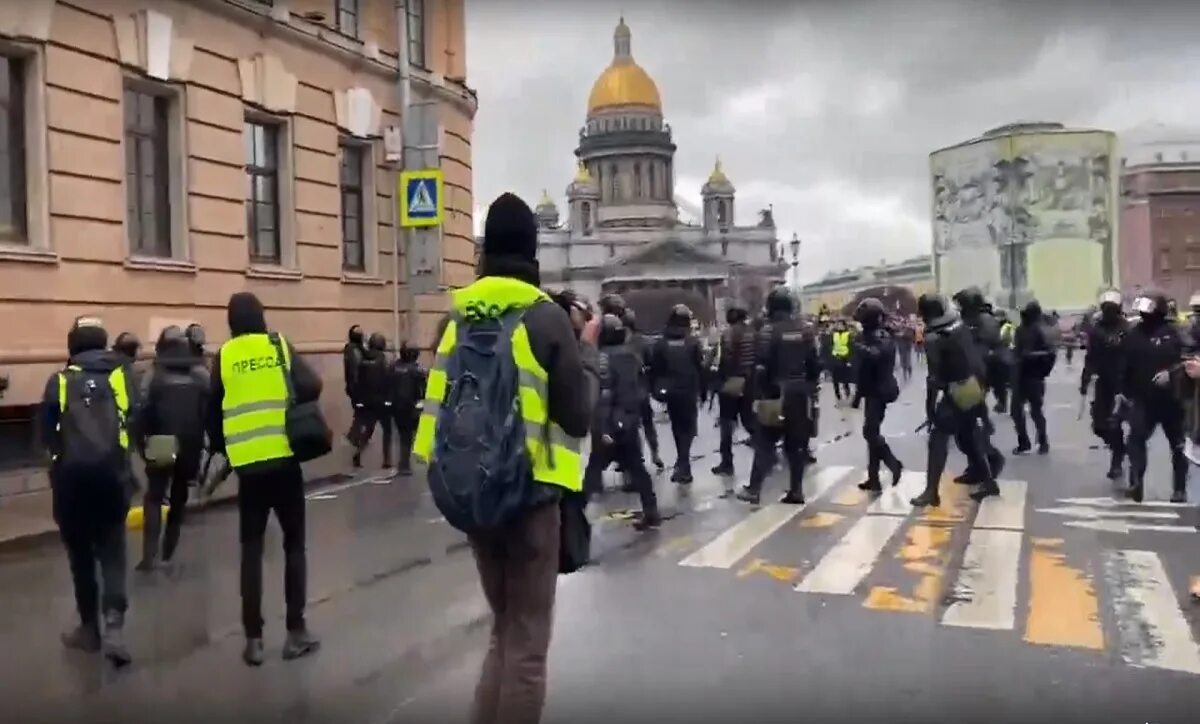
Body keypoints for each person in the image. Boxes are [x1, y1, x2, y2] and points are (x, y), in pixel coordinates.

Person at [414, 192, 594, 724]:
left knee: (503, 630)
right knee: (529, 647)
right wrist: (587, 354)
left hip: (472, 493)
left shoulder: (455, 317)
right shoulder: (545, 318)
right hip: (531, 497)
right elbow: (578, 418)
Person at [206, 291, 322, 666]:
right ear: (261, 316)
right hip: (284, 460)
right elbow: (313, 385)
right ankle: (295, 632)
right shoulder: (278, 345)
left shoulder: (223, 356)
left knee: (251, 551)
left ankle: (253, 640)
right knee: (293, 545)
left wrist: (228, 450)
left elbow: (211, 413)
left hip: (247, 467)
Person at [41, 316, 136, 666]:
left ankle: (89, 631)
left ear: (72, 346)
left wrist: (57, 468)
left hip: (71, 484)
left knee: (81, 559)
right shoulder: (123, 378)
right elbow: (136, 421)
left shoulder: (60, 382)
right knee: (113, 553)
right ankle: (114, 627)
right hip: (113, 479)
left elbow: (46, 435)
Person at [911, 294, 1002, 508]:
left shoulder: (933, 336)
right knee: (969, 435)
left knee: (937, 439)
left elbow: (935, 377)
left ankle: (931, 491)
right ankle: (989, 481)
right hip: (974, 385)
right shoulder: (958, 325)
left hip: (958, 390)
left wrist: (930, 407)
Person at [135, 325, 209, 571]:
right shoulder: (200, 375)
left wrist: (141, 444)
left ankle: (149, 556)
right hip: (191, 442)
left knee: (154, 497)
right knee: (179, 498)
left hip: (161, 441)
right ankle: (168, 552)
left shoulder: (153, 374)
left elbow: (141, 410)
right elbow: (208, 411)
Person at [736, 287, 820, 505]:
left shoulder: (767, 331)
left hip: (776, 393)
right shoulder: (806, 330)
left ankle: (754, 489)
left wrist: (760, 393)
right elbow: (815, 363)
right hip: (800, 393)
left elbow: (761, 367)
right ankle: (796, 490)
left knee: (764, 443)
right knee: (796, 445)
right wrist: (810, 387)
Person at [583, 313, 660, 529]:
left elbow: (606, 394)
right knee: (637, 468)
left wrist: (606, 426)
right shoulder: (632, 356)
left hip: (610, 424)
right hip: (628, 421)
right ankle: (651, 510)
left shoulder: (603, 358)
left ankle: (572, 523)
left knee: (593, 472)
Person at [1120, 290, 1188, 503]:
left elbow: (1189, 360)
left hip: (1172, 401)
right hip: (1143, 400)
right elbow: (1125, 366)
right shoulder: (1133, 335)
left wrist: (1172, 373)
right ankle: (1136, 482)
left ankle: (1179, 489)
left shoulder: (1174, 334)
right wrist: (1123, 393)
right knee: (1135, 440)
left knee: (1178, 446)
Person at [850, 298, 903, 492]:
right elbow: (862, 370)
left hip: (880, 390)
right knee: (873, 434)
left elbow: (875, 355)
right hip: (870, 389)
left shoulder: (882, 335)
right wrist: (857, 396)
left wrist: (857, 346)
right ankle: (874, 478)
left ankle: (893, 464)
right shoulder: (866, 334)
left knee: (870, 432)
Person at [651, 304, 705, 484]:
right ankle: (683, 463)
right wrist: (703, 391)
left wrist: (656, 389)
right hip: (688, 391)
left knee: (677, 428)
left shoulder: (662, 342)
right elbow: (700, 368)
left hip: (671, 392)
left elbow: (655, 369)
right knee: (689, 429)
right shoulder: (692, 342)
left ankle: (682, 464)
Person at [1082, 290, 1130, 478]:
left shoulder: (1127, 329)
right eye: (1106, 308)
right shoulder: (1096, 330)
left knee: (1115, 422)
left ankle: (1117, 461)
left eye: (1112, 308)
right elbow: (1090, 357)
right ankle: (1120, 448)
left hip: (1123, 383)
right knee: (1099, 426)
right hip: (1103, 383)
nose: (1108, 312)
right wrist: (1085, 379)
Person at [712, 303, 757, 479]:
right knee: (750, 421)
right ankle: (766, 451)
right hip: (751, 383)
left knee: (727, 424)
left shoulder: (728, 334)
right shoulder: (753, 333)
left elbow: (725, 360)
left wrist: (720, 381)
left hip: (732, 383)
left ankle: (727, 462)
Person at [622, 308, 664, 471]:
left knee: (632, 426)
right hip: (641, 389)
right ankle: (654, 453)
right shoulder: (643, 341)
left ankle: (637, 458)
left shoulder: (619, 342)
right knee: (647, 424)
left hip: (628, 390)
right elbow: (652, 364)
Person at [1010, 300, 1054, 455]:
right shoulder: (1021, 329)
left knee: (1035, 411)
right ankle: (1024, 441)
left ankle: (1042, 440)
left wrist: (1030, 356)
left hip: (1034, 375)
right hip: (1021, 374)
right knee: (1016, 411)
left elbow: (1050, 353)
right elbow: (1017, 350)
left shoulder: (1040, 330)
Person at [352, 332, 394, 469]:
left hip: (368, 400)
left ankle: (358, 452)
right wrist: (389, 399)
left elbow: (359, 381)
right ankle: (387, 460)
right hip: (382, 400)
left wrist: (360, 399)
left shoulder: (363, 359)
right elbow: (388, 379)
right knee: (387, 430)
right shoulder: (384, 359)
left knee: (368, 429)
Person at [389, 342, 426, 476]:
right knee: (409, 434)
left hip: (396, 406)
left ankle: (404, 463)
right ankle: (406, 463)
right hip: (411, 406)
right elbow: (424, 387)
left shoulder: (393, 366)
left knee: (403, 435)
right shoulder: (417, 370)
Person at [343, 324, 367, 449]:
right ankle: (354, 436)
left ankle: (354, 435)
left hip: (353, 387)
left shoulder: (350, 349)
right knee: (361, 413)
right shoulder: (356, 351)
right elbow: (356, 371)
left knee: (359, 412)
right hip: (358, 388)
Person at [828, 319, 854, 402]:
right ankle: (837, 395)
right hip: (835, 357)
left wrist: (849, 359)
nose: (839, 326)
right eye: (838, 324)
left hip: (844, 358)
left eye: (841, 325)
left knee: (845, 378)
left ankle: (847, 392)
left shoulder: (848, 334)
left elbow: (851, 347)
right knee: (835, 379)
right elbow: (831, 345)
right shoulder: (834, 334)